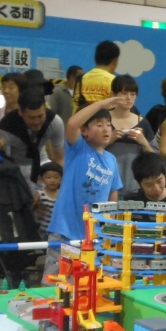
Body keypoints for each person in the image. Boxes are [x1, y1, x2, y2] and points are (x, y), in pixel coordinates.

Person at [45, 93, 124, 275]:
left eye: (108, 124)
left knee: (87, 281)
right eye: (99, 125)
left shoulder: (111, 160)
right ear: (84, 131)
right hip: (65, 230)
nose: (106, 129)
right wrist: (102, 104)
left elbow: (113, 194)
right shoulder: (78, 149)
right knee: (56, 280)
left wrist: (110, 225)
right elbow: (72, 124)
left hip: (93, 235)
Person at [0, 87, 66, 183]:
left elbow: (59, 159)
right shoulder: (5, 128)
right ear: (20, 112)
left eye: (40, 116)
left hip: (42, 161)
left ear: (45, 108)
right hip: (16, 166)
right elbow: (4, 163)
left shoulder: (55, 121)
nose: (37, 122)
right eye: (31, 118)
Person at [102, 75, 154, 194]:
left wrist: (144, 143)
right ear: (113, 95)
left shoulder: (142, 122)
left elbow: (153, 159)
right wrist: (109, 141)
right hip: (105, 181)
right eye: (124, 93)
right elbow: (89, 152)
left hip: (134, 185)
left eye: (133, 94)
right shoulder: (103, 120)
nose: (128, 98)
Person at [76, 40, 120, 107]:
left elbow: (75, 107)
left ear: (95, 58)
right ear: (115, 61)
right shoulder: (116, 81)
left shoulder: (81, 79)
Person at [36, 162, 62, 233]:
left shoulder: (63, 194)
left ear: (61, 179)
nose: (52, 180)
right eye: (48, 177)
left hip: (58, 230)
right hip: (43, 230)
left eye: (56, 177)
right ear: (41, 179)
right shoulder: (39, 194)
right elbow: (30, 209)